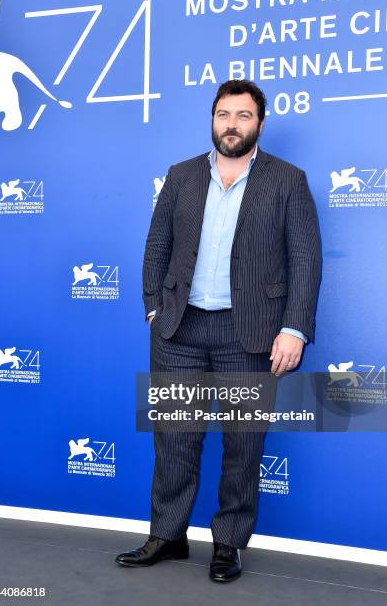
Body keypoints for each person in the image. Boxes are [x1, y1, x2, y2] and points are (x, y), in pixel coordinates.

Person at [115, 79, 322, 582]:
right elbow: (155, 247)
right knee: (174, 437)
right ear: (213, 119)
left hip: (248, 333)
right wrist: (152, 309)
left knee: (244, 442)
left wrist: (294, 328)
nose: (232, 124)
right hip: (179, 330)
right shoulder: (181, 175)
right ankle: (167, 534)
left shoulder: (288, 179)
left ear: (260, 123)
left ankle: (228, 543)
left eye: (243, 115)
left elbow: (305, 258)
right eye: (224, 114)